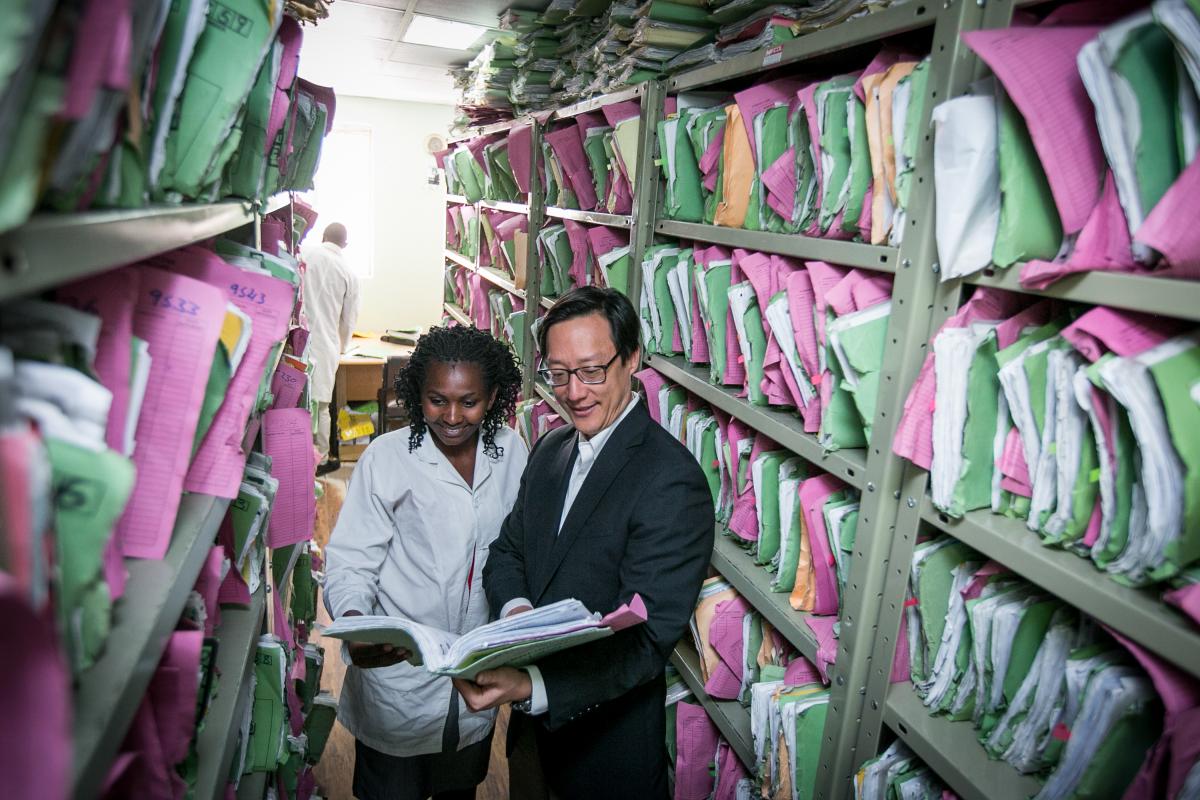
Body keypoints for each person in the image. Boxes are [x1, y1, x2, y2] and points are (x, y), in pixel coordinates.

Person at [455, 286, 715, 799]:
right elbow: (508, 551)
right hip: (532, 742)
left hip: (604, 755)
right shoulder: (552, 447)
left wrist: (533, 684)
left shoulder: (671, 480)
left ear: (633, 358)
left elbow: (646, 642)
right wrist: (518, 620)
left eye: (592, 371)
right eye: (558, 373)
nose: (574, 392)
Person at [322, 325, 528, 800]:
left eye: (469, 401)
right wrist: (356, 623)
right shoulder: (387, 458)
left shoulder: (512, 452)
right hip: (400, 679)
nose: (452, 416)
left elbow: (516, 549)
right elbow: (352, 560)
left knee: (459, 786)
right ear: (417, 394)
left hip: (475, 669)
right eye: (437, 400)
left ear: (493, 396)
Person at [300, 222, 360, 475]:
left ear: (323, 236)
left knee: (297, 404)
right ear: (345, 244)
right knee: (322, 406)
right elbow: (349, 319)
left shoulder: (304, 254)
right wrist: (344, 347)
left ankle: (296, 455)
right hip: (325, 345)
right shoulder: (348, 272)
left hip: (296, 339)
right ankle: (320, 460)